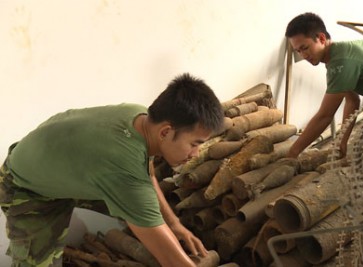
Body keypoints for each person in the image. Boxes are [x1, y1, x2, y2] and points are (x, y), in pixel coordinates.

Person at [0, 73, 224, 267]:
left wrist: (174, 224)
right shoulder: (124, 173)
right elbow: (173, 263)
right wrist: (169, 246)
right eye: (194, 144)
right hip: (25, 187)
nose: (196, 154)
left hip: (63, 165)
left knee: (142, 210)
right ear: (165, 132)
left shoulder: (140, 117)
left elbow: (148, 172)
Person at [285, 13, 363, 158]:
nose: (303, 55)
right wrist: (342, 141)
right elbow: (352, 101)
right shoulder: (337, 57)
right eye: (298, 51)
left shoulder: (341, 62)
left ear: (322, 38)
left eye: (305, 48)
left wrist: (292, 152)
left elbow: (324, 116)